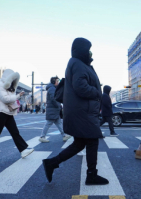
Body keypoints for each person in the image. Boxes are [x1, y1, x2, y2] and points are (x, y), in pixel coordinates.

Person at [42, 37, 108, 185]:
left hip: (81, 111)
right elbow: (80, 87)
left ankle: (52, 163)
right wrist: (98, 92)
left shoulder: (79, 64)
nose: (91, 53)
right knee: (92, 141)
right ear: (82, 50)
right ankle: (91, 175)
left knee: (79, 144)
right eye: (88, 50)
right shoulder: (78, 64)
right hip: (83, 111)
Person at [0, 69, 34, 160]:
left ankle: (23, 150)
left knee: (15, 132)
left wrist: (17, 95)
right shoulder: (0, 85)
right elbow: (6, 99)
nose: (13, 80)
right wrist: (18, 96)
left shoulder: (10, 87)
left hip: (7, 112)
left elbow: (10, 99)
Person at [39, 76, 71, 143]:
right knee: (48, 123)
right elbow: (54, 99)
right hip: (53, 109)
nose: (58, 82)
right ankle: (42, 137)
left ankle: (64, 135)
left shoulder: (52, 88)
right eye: (57, 81)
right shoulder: (52, 89)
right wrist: (58, 105)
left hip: (54, 109)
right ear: (54, 82)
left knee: (59, 123)